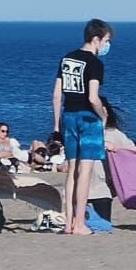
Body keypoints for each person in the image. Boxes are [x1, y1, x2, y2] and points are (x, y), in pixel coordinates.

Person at [51, 19, 113, 236]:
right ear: (96, 39)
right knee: (84, 171)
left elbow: (57, 94)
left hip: (68, 115)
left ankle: (68, 222)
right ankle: (79, 223)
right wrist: (103, 115)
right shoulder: (95, 64)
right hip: (88, 118)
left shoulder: (67, 58)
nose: (106, 45)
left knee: (71, 172)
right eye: (106, 41)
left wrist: (56, 125)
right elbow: (93, 97)